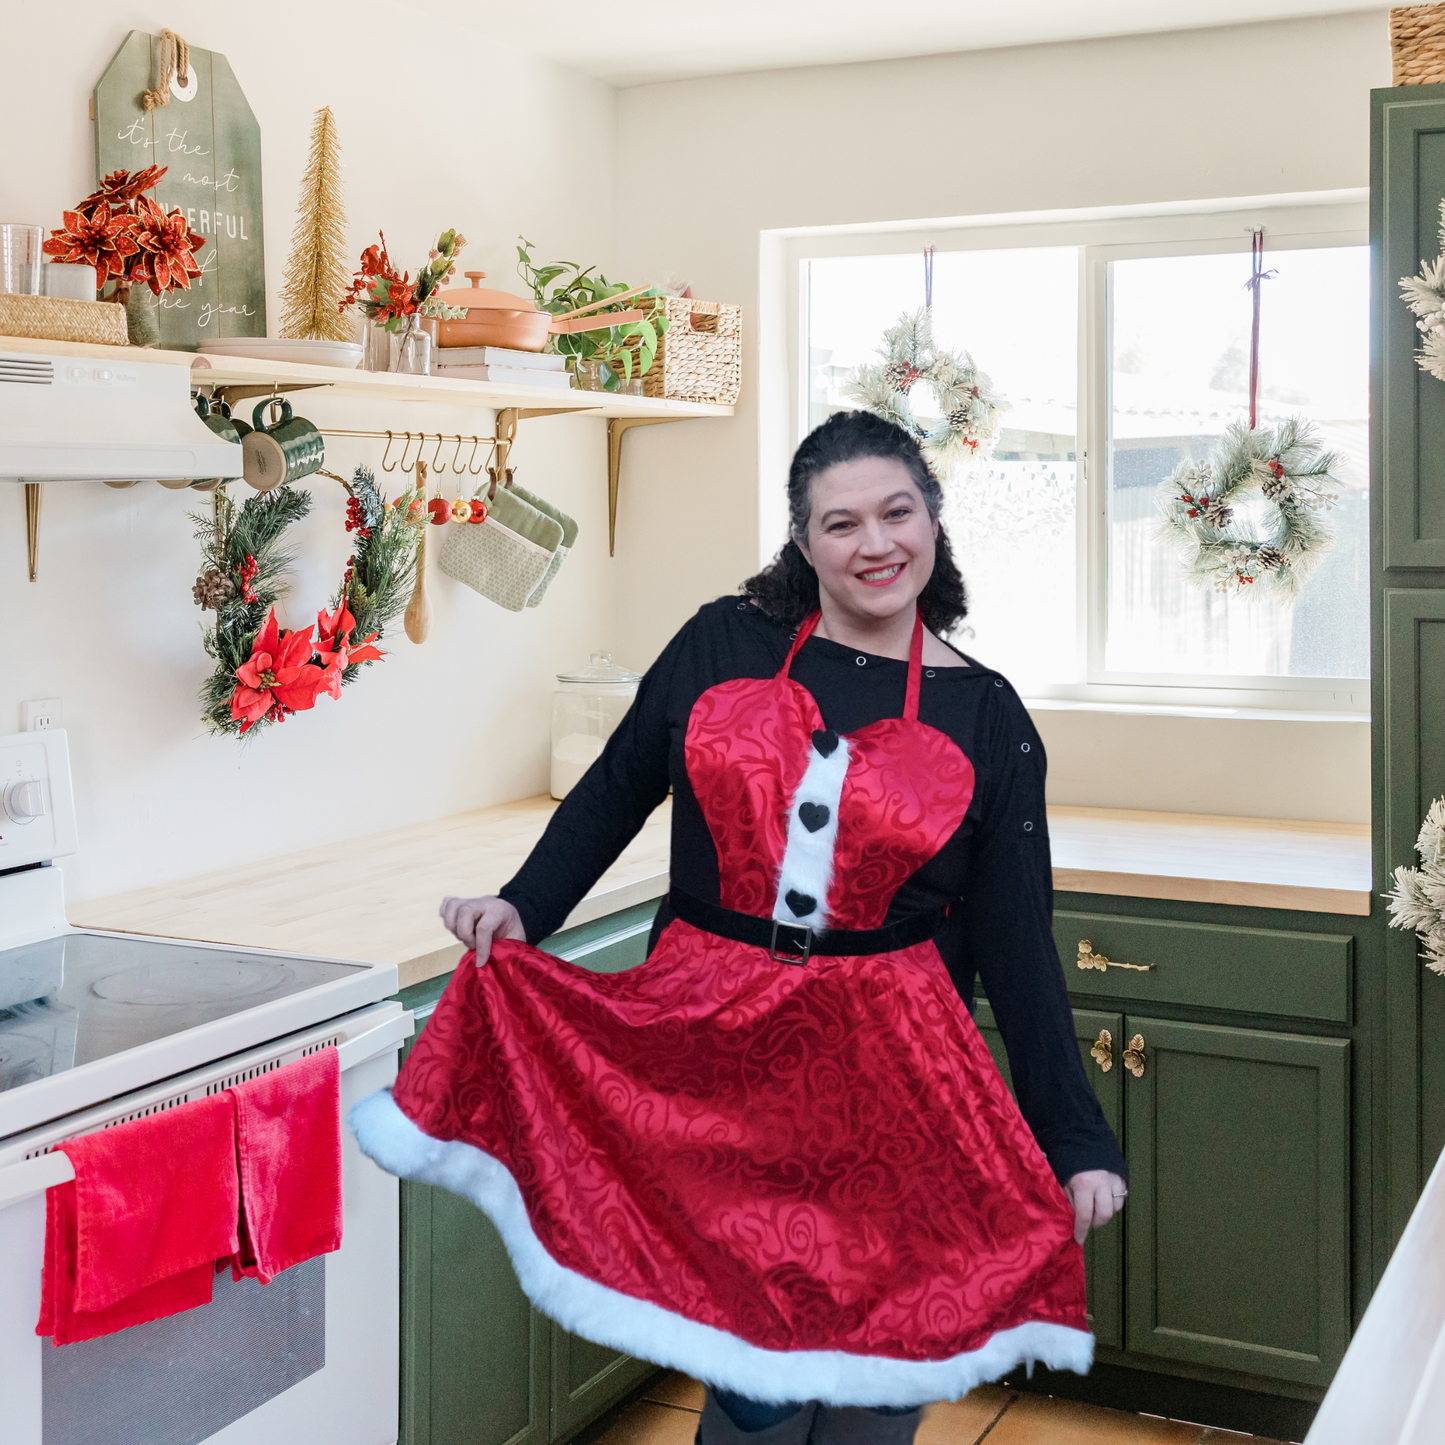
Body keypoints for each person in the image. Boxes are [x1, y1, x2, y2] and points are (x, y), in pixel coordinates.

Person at [352, 410, 1127, 1445]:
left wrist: (1073, 1137)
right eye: (838, 522)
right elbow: (616, 783)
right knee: (750, 1374)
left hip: (886, 1079)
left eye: (896, 512)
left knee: (876, 1357)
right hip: (714, 1055)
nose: (873, 542)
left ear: (932, 522)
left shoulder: (985, 715)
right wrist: (524, 905)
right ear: (802, 543)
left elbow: (1017, 943)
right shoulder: (722, 640)